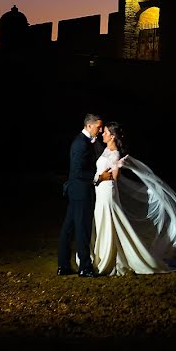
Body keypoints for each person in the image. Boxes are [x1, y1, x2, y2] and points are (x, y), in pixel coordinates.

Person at [83, 121, 176, 276]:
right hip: (100, 192)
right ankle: (106, 255)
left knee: (110, 222)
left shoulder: (114, 152)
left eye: (106, 132)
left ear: (112, 136)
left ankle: (113, 258)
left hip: (107, 192)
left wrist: (103, 176)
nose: (103, 133)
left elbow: (114, 177)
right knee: (103, 221)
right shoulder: (106, 149)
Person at [57, 113, 111, 277]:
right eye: (98, 126)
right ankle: (84, 268)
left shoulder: (84, 142)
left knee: (69, 228)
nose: (100, 130)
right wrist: (99, 178)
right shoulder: (81, 143)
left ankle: (64, 265)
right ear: (89, 126)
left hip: (76, 190)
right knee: (82, 229)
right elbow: (79, 171)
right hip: (81, 191)